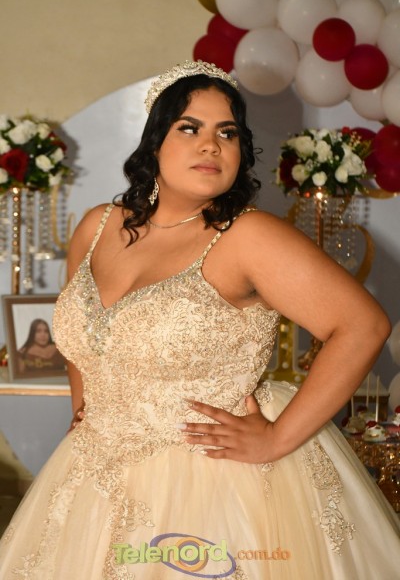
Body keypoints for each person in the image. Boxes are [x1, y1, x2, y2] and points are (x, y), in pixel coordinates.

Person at [0, 60, 399, 579]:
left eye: (227, 133)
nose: (211, 145)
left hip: (212, 485)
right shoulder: (97, 227)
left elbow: (363, 326)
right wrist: (86, 409)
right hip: (91, 477)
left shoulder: (248, 237)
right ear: (154, 144)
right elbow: (87, 336)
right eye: (190, 128)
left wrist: (277, 438)